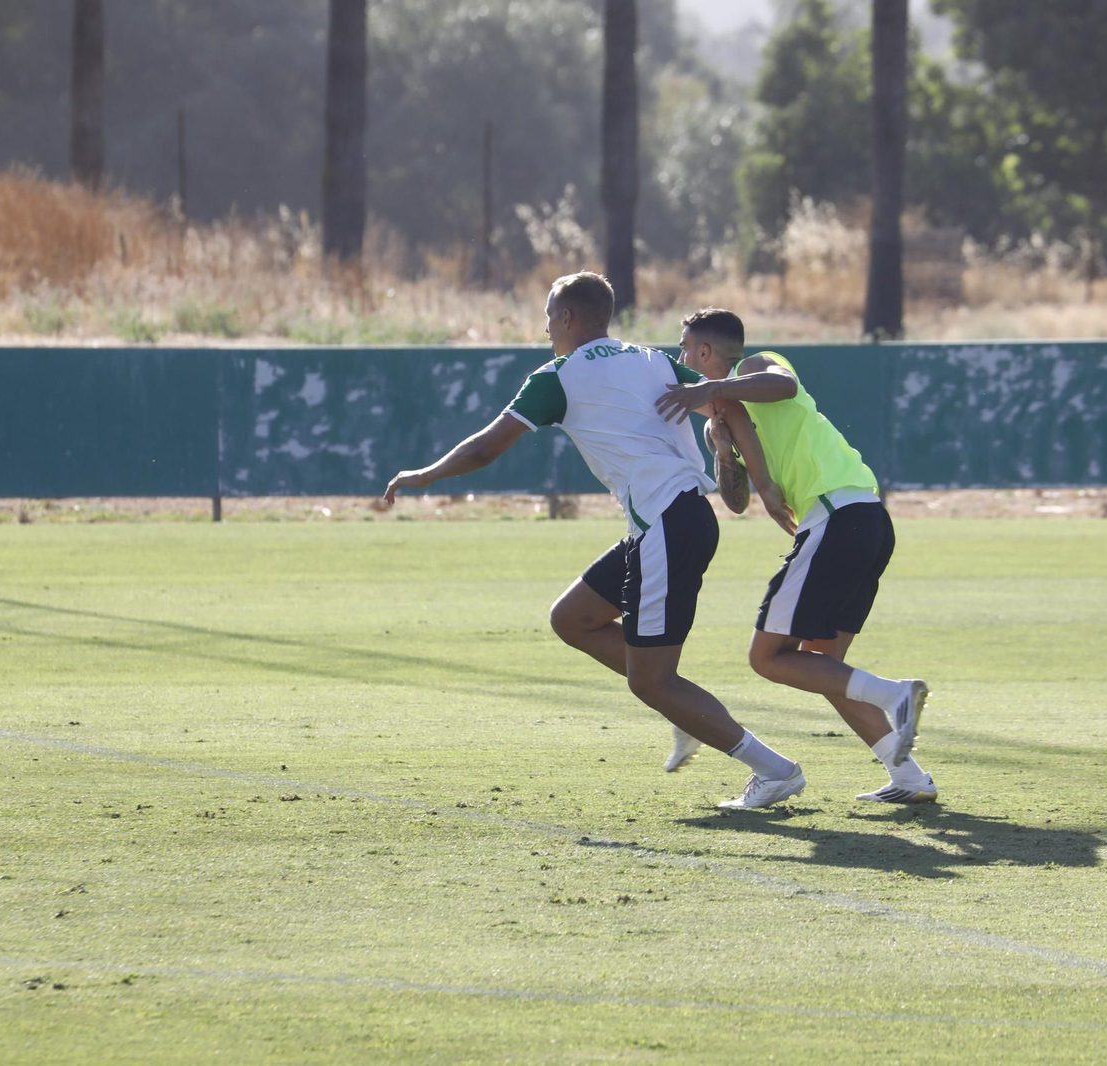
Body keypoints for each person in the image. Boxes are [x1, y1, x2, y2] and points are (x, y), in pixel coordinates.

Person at [383, 274, 806, 810]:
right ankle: (683, 708)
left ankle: (774, 770)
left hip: (668, 527)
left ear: (567, 318)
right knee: (572, 618)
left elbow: (487, 449)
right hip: (670, 523)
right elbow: (726, 406)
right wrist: (754, 477)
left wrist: (423, 475)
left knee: (650, 682)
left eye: (547, 314)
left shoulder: (558, 376)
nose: (544, 325)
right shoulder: (651, 360)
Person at [652, 307, 936, 804]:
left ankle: (896, 694)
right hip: (861, 521)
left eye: (684, 350)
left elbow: (783, 386)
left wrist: (709, 391)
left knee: (767, 658)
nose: (682, 359)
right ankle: (909, 777)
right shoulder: (722, 415)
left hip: (841, 515)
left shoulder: (756, 367)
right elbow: (736, 502)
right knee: (826, 667)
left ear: (703, 352)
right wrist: (722, 452)